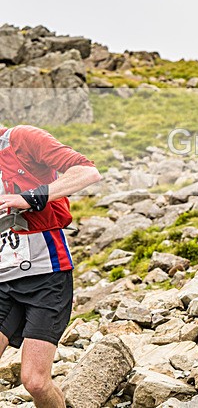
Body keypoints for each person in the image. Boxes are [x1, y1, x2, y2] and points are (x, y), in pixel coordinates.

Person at [0, 124, 101, 408]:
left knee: (34, 380)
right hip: (3, 279)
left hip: (47, 275)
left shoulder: (22, 138)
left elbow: (87, 171)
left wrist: (31, 197)